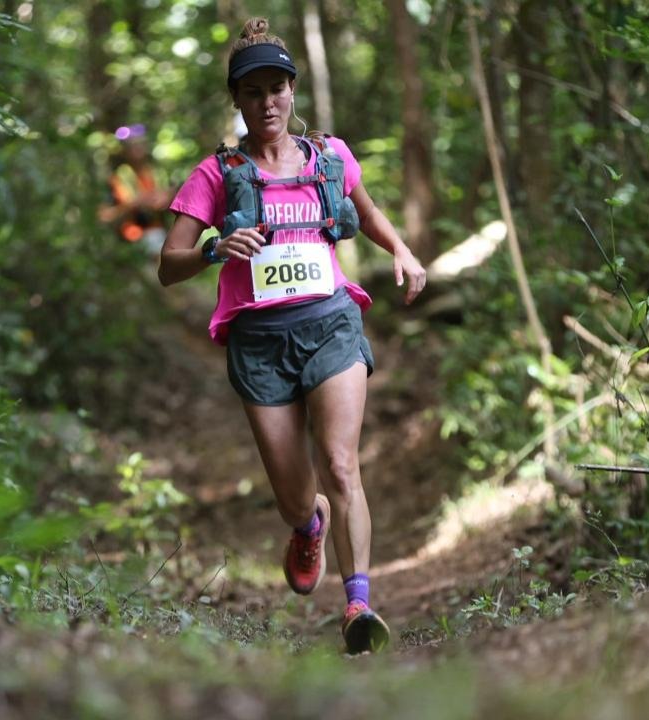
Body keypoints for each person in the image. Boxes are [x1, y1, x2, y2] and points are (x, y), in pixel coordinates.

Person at [158, 17, 427, 654]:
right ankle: (308, 527)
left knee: (340, 463)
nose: (268, 102)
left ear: (292, 92)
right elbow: (168, 266)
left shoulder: (329, 157)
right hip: (260, 344)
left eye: (277, 88)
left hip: (331, 321)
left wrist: (402, 251)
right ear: (238, 101)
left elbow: (366, 212)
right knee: (294, 496)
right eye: (254, 92)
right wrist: (214, 248)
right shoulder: (216, 173)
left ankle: (358, 605)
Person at [98, 123, 172, 254]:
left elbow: (167, 199)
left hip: (160, 231)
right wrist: (135, 203)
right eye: (132, 146)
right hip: (132, 236)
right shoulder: (119, 178)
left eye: (140, 144)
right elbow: (104, 215)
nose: (137, 149)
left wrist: (167, 198)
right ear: (125, 151)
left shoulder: (156, 173)